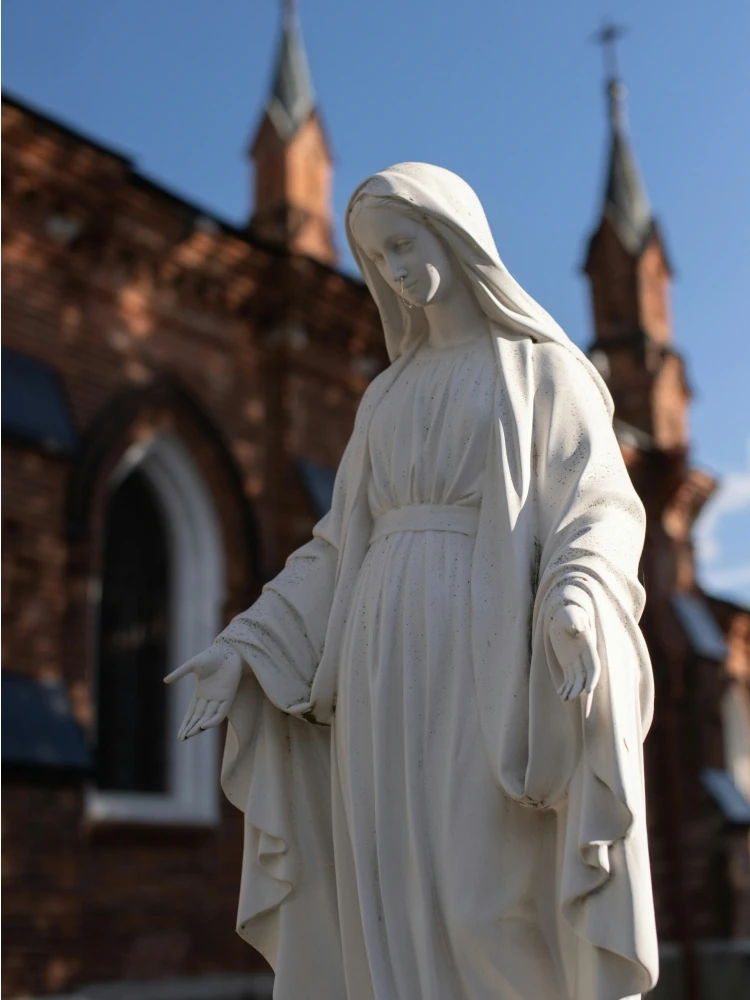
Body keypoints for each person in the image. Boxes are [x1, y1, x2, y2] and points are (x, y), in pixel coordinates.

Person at [165, 163, 658, 1000]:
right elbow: (333, 548)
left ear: (454, 236)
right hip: (377, 654)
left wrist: (578, 592)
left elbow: (598, 506)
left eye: (403, 243)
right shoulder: (386, 396)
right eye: (375, 256)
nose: (392, 270)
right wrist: (247, 646)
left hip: (487, 641)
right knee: (388, 893)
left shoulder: (543, 372)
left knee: (485, 896)